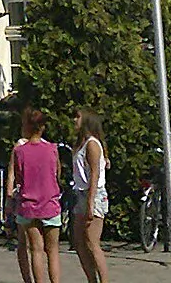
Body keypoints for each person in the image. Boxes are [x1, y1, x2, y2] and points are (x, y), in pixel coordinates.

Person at [8, 104, 66, 283]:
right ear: (43, 127)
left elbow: (18, 177)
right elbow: (57, 174)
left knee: (36, 249)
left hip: (29, 205)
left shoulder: (19, 151)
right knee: (53, 250)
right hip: (49, 202)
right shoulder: (52, 149)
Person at [70, 109, 109, 283]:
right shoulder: (81, 143)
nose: (74, 120)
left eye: (77, 117)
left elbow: (94, 174)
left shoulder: (92, 144)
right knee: (79, 242)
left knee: (92, 243)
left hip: (93, 193)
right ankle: (92, 279)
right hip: (80, 193)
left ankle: (104, 280)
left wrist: (91, 203)